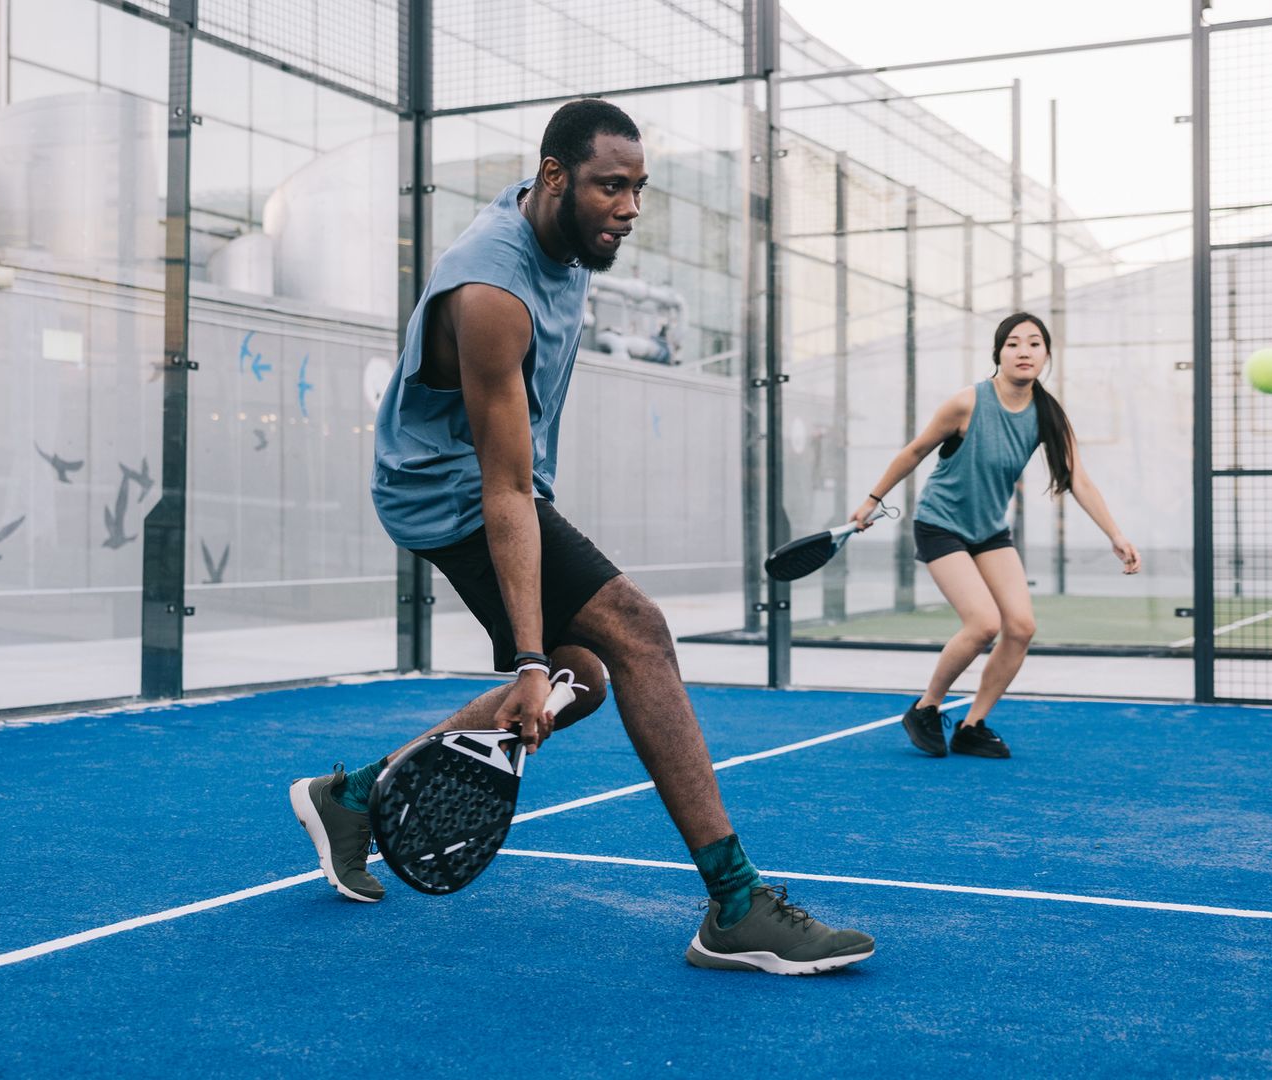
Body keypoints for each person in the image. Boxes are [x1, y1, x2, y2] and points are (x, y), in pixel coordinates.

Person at [290, 98, 874, 974]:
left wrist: (547, 669)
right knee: (639, 633)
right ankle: (736, 903)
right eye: (611, 187)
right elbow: (506, 487)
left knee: (587, 679)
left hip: (488, 482)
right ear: (554, 178)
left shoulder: (563, 228)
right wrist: (525, 661)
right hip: (446, 491)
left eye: (640, 189)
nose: (629, 209)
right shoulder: (491, 291)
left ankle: (357, 799)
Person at [850, 312, 1141, 759]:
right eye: (1013, 343)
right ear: (998, 353)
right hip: (940, 524)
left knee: (1021, 627)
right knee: (983, 623)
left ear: (1046, 355)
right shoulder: (967, 402)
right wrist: (872, 499)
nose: (1024, 351)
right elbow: (915, 451)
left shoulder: (1048, 415)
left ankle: (972, 725)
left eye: (1034, 344)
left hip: (988, 530)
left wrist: (1115, 535)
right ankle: (926, 708)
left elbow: (1078, 478)